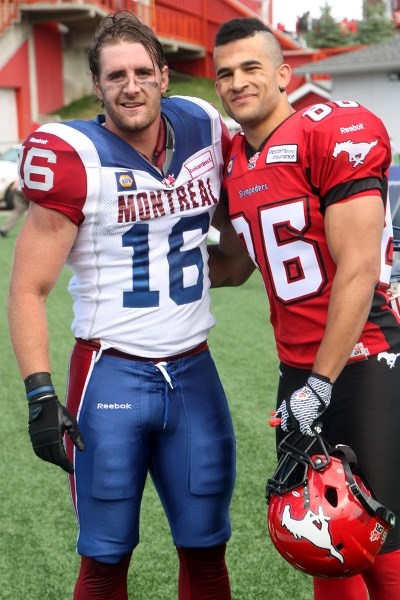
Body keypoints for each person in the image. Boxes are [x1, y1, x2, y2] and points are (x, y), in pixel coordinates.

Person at [8, 11, 235, 600]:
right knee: (105, 559)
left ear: (163, 75)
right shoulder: (75, 156)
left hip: (195, 369)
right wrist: (39, 392)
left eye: (141, 72)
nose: (130, 86)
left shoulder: (205, 123)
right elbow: (28, 288)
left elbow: (241, 228)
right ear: (97, 86)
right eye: (115, 77)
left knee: (208, 549)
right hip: (111, 373)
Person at [210, 17, 400, 600]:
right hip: (298, 366)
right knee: (318, 534)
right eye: (225, 73)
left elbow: (360, 270)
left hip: (362, 361)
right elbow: (238, 266)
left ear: (283, 74)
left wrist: (320, 384)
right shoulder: (238, 159)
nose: (237, 81)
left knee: (377, 537)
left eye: (250, 67)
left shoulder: (330, 130)